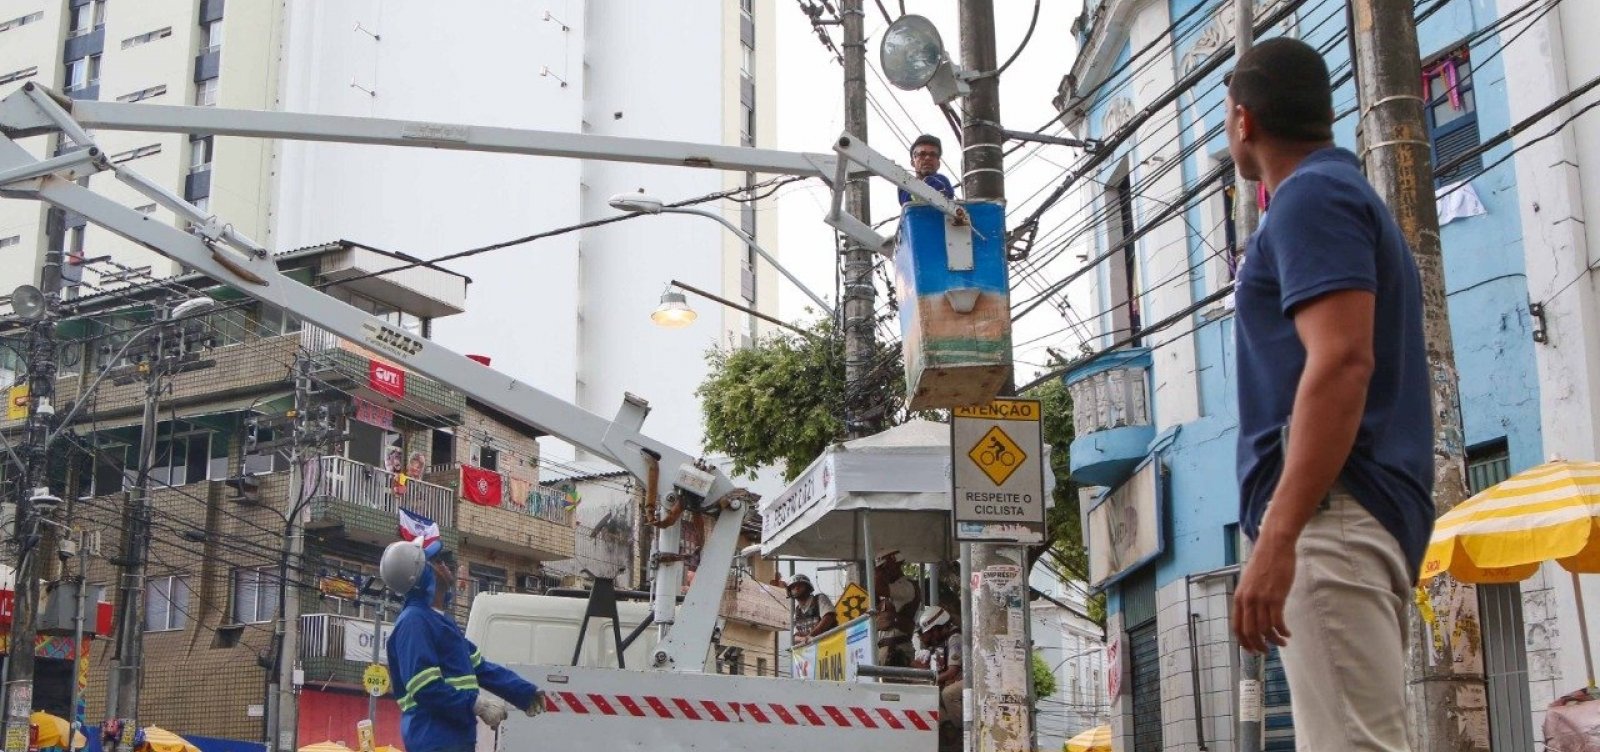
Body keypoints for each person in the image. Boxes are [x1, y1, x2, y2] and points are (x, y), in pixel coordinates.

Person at [1227, 37, 1433, 752]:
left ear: (1243, 120)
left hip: (1330, 513)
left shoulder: (1311, 196)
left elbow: (1343, 360)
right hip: (1341, 512)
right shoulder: (1333, 194)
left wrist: (1279, 533)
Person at [381, 541, 545, 752]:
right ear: (422, 576)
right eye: (436, 561)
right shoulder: (414, 622)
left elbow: (481, 667)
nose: (445, 564)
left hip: (453, 738)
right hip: (434, 739)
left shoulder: (440, 622)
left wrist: (524, 691)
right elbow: (425, 688)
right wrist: (478, 705)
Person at [915, 606, 962, 747]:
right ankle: (948, 731)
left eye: (931, 632)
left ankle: (963, 730)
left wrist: (933, 680)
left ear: (938, 627)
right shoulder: (941, 643)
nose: (930, 637)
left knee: (948, 694)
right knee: (929, 698)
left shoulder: (955, 638)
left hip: (968, 679)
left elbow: (952, 671)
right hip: (955, 680)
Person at [873, 551, 920, 667]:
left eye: (884, 567)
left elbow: (879, 587)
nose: (883, 572)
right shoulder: (892, 588)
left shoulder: (906, 586)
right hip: (885, 650)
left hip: (897, 651)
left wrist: (877, 571)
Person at [898, 134, 956, 206]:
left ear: (938, 164)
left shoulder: (942, 181)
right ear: (913, 162)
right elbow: (907, 201)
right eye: (922, 154)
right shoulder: (904, 185)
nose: (928, 158)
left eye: (933, 154)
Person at [786, 574, 837, 646]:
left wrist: (811, 636)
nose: (796, 588)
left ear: (808, 587)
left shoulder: (819, 599)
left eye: (800, 585)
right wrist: (803, 639)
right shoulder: (797, 611)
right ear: (790, 592)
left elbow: (828, 617)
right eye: (793, 587)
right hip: (813, 651)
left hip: (831, 645)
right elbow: (795, 636)